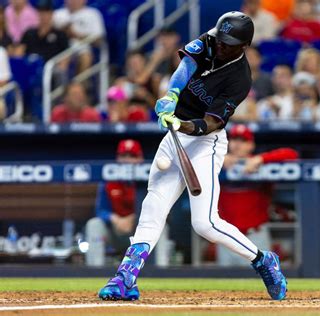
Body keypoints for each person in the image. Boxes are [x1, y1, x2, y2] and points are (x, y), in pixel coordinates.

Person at [98, 11, 287, 302]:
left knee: (205, 223)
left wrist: (183, 125)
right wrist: (172, 94)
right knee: (152, 209)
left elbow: (211, 122)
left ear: (243, 46)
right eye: (220, 40)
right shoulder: (212, 39)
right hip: (174, 139)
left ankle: (263, 260)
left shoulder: (240, 78)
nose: (220, 46)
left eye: (228, 43)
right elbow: (186, 66)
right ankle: (125, 278)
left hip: (205, 143)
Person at [217, 124, 298, 266]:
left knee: (260, 283)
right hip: (226, 237)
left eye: (243, 140)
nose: (238, 144)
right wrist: (217, 157)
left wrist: (261, 159)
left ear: (251, 145)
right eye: (235, 139)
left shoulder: (261, 163)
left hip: (256, 236)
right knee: (224, 284)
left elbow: (292, 155)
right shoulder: (216, 162)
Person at [85, 139, 144, 267]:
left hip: (141, 232)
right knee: (94, 224)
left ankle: (161, 272)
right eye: (124, 156)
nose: (127, 160)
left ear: (140, 159)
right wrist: (115, 219)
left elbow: (157, 210)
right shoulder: (109, 180)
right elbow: (100, 210)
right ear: (117, 158)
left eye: (132, 156)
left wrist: (133, 218)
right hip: (115, 231)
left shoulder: (148, 180)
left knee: (162, 228)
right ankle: (94, 272)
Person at [53, 0, 105, 73]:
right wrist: (63, 31)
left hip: (83, 47)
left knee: (85, 57)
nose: (73, 1)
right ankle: (60, 83)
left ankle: (79, 83)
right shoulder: (57, 14)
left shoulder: (93, 14)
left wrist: (75, 35)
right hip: (60, 46)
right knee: (62, 58)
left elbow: (99, 40)